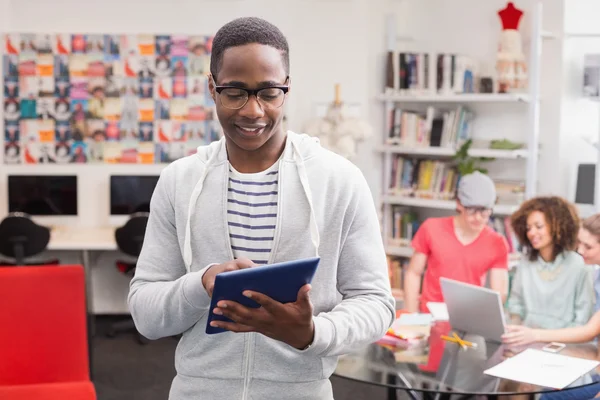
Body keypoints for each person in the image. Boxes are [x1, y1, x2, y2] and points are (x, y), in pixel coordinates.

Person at [128, 17, 395, 400]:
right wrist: (202, 284)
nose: (253, 111)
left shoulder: (340, 180)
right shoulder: (179, 181)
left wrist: (313, 334)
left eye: (269, 93)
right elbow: (145, 312)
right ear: (212, 88)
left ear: (287, 89)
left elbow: (376, 303)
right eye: (235, 92)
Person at [403, 171, 509, 313]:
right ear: (459, 204)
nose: (478, 217)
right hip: (431, 315)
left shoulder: (497, 242)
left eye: (484, 211)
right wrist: (411, 314)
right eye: (471, 210)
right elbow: (413, 273)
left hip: (469, 317)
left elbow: (499, 294)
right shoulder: (431, 228)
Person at [506, 196, 594, 329]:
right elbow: (515, 304)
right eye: (528, 228)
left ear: (557, 226)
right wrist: (514, 331)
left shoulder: (578, 264)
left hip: (566, 344)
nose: (532, 232)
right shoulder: (525, 262)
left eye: (538, 226)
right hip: (527, 340)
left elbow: (582, 318)